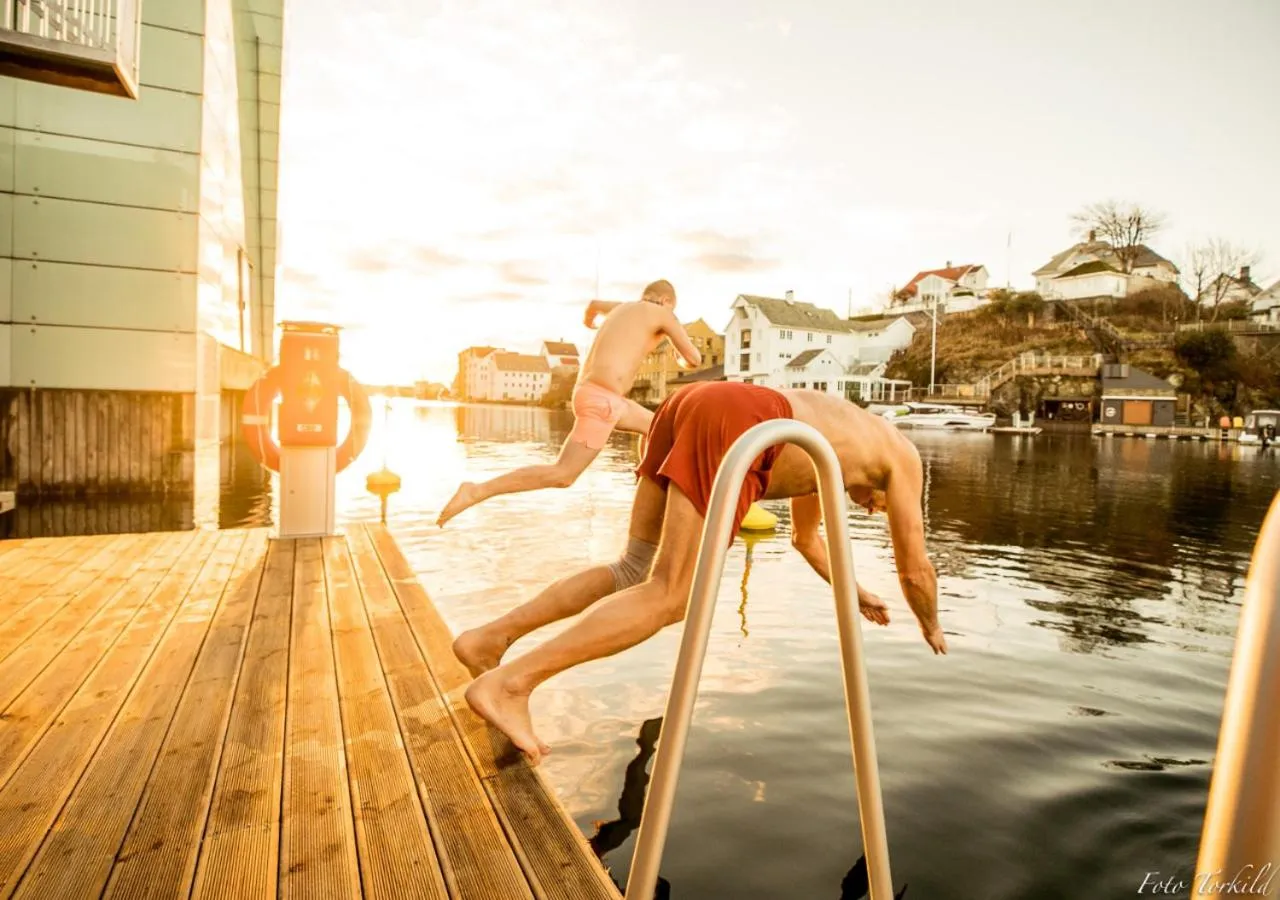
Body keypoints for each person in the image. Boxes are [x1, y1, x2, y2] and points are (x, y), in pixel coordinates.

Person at [455, 380, 947, 764]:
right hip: (745, 420)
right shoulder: (902, 454)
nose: (869, 508)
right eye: (877, 506)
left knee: (632, 570)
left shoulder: (838, 447)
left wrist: (855, 591)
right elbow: (915, 570)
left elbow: (806, 540)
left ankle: (490, 639)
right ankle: (511, 684)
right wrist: (930, 623)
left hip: (693, 404)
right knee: (675, 595)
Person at [436, 280, 702, 527]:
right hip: (602, 402)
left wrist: (591, 322)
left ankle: (652, 491)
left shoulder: (622, 307)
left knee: (660, 428)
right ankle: (477, 490)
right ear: (667, 301)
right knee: (563, 474)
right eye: (672, 308)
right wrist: (675, 343)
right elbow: (693, 360)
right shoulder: (664, 314)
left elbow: (593, 307)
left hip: (601, 397)